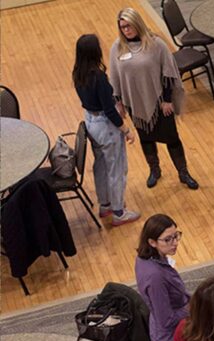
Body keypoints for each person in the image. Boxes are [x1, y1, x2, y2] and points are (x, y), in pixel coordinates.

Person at [109, 8, 199, 190]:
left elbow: (168, 73)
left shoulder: (156, 44)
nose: (126, 30)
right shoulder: (117, 48)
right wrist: (118, 101)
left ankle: (183, 173)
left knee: (172, 138)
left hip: (160, 104)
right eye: (123, 27)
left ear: (137, 23)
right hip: (135, 104)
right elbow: (115, 77)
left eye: (129, 25)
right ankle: (154, 170)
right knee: (146, 138)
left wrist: (167, 101)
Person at [72, 33, 140, 226]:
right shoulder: (99, 77)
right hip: (106, 127)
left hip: (91, 124)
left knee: (101, 165)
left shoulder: (78, 73)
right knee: (117, 168)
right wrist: (127, 130)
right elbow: (109, 110)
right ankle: (119, 212)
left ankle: (105, 205)